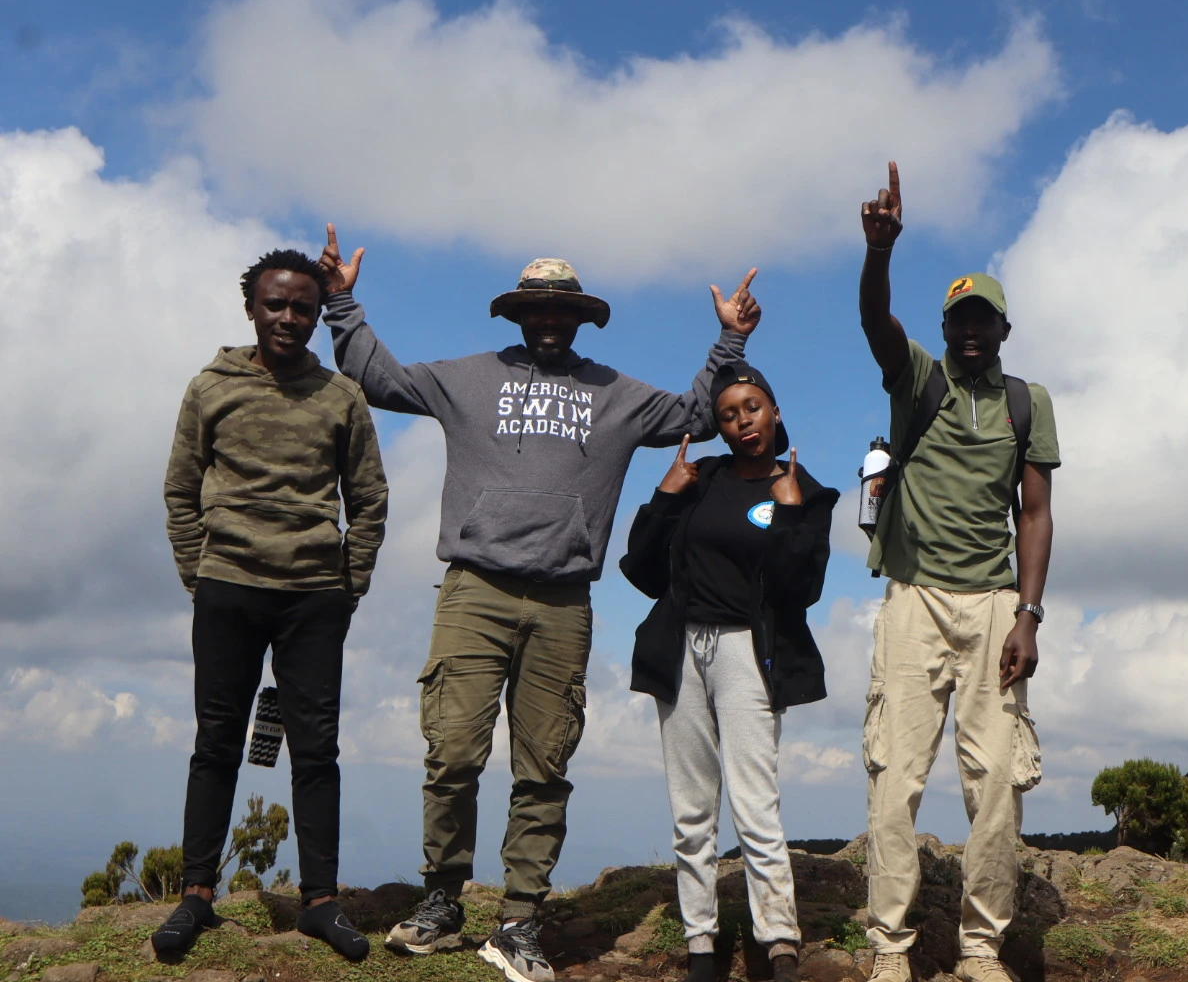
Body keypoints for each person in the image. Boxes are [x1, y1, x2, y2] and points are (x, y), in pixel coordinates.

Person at [316, 226, 761, 982]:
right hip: (474, 591)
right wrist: (341, 302)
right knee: (451, 750)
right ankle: (443, 898)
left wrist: (727, 341)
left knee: (544, 763)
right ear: (517, 315)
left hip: (564, 599)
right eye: (536, 309)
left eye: (563, 311)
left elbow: (694, 413)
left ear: (582, 318)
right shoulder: (467, 378)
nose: (549, 320)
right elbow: (378, 379)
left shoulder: (616, 394)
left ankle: (519, 919)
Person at [153, 249, 388, 962]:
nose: (289, 318)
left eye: (303, 308)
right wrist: (203, 577)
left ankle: (319, 901)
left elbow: (369, 499)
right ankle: (196, 896)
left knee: (316, 749)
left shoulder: (340, 395)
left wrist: (349, 585)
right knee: (215, 741)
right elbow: (180, 489)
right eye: (276, 305)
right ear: (251, 306)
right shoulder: (210, 387)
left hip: (313, 596)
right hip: (228, 587)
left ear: (318, 315)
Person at [856, 164, 1060, 982]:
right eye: (959, 320)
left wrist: (1029, 614)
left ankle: (981, 950)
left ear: (1004, 330)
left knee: (999, 785)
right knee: (894, 781)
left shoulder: (1025, 401)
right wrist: (879, 252)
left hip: (995, 608)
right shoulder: (920, 380)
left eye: (984, 321)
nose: (970, 332)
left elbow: (1035, 514)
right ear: (944, 327)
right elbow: (875, 320)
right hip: (913, 601)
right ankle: (890, 952)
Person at [620, 364, 839, 982]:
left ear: (773, 411)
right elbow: (640, 572)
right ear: (717, 426)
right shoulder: (701, 478)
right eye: (729, 414)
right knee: (691, 809)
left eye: (753, 408)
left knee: (755, 804)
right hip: (682, 650)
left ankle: (779, 943)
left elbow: (803, 591)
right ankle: (701, 945)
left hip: (750, 653)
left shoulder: (806, 490)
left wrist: (790, 515)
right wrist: (666, 495)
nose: (743, 422)